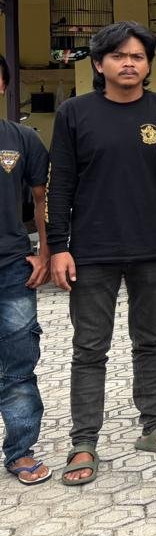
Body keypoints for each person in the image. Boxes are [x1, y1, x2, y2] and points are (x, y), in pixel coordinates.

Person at [48, 21, 156, 486]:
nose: (129, 63)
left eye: (137, 56)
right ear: (99, 63)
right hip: (91, 251)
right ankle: (83, 441)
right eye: (118, 56)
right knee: (90, 348)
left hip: (153, 247)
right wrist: (58, 247)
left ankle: (153, 425)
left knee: (150, 339)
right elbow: (61, 184)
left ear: (148, 64)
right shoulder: (74, 113)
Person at [0, 54, 52, 485]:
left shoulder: (22, 139)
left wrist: (45, 252)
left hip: (10, 267)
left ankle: (20, 450)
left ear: (3, 85)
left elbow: (41, 199)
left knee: (18, 366)